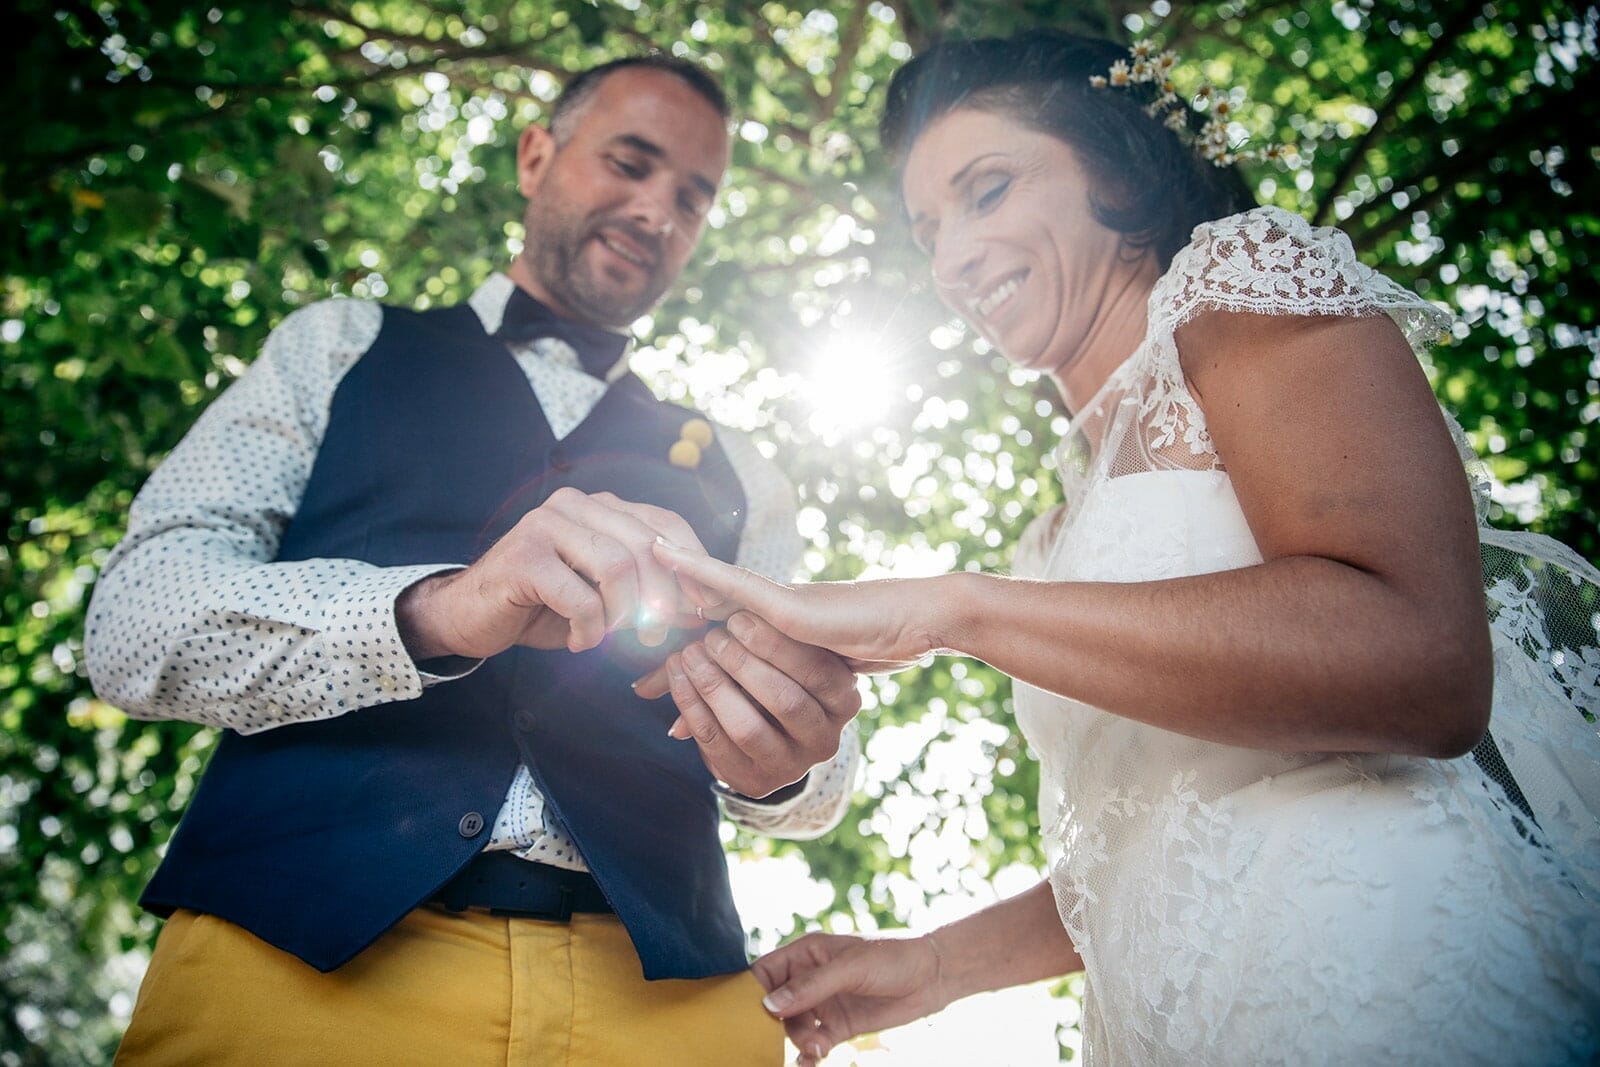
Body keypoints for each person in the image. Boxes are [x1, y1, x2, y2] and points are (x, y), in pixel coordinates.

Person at [652, 32, 1600, 1066]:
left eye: (987, 191)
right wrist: (934, 965)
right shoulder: (1050, 536)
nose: (952, 258)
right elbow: (1160, 830)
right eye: (927, 231)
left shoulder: (1242, 285)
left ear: (1116, 168)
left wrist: (952, 609)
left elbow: (1425, 660)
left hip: (1386, 978)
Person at [85, 54, 863, 1065]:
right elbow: (132, 619)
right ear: (536, 156)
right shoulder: (337, 344)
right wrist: (441, 610)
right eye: (630, 163)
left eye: (692, 197)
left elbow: (822, 783)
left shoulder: (744, 471)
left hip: (665, 1006)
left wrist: (785, 765)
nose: (656, 211)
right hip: (294, 968)